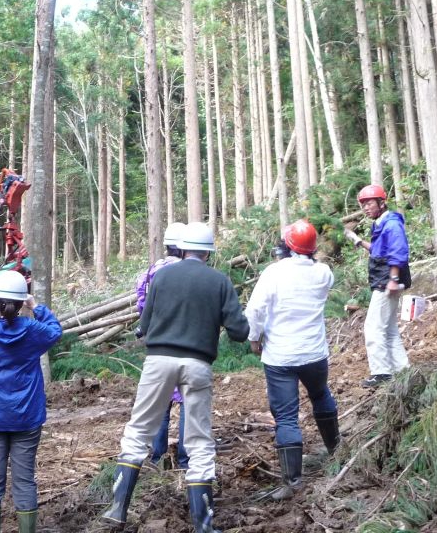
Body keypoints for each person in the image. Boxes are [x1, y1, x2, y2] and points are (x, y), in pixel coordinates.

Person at [102, 221, 249, 533]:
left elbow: (144, 324)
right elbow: (240, 332)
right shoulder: (219, 281)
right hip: (197, 364)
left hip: (158, 361)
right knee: (199, 441)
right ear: (209, 252)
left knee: (139, 431)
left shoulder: (163, 274)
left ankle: (117, 508)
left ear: (182, 248)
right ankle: (203, 525)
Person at [245, 220, 340, 501]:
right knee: (321, 394)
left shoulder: (274, 273)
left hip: (281, 355)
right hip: (313, 353)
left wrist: (254, 338)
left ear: (287, 245)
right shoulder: (324, 273)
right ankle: (336, 451)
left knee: (286, 416)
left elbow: (255, 309)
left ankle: (292, 481)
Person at [0, 270, 62, 533]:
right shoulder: (34, 331)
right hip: (27, 417)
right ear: (22, 302)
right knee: (24, 481)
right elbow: (56, 331)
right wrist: (37, 307)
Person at [134, 221, 188, 469]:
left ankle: (157, 457)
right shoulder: (190, 271)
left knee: (161, 401)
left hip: (158, 342)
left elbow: (142, 302)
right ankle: (186, 458)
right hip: (187, 340)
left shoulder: (152, 270)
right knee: (188, 400)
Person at [350, 184, 411, 387]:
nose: (366, 208)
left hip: (387, 282)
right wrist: (358, 242)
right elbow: (379, 250)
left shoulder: (391, 224)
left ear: (382, 203)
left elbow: (398, 251)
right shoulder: (382, 224)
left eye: (369, 203)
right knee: (389, 328)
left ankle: (382, 373)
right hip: (385, 281)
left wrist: (393, 279)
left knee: (374, 327)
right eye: (363, 205)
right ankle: (403, 370)